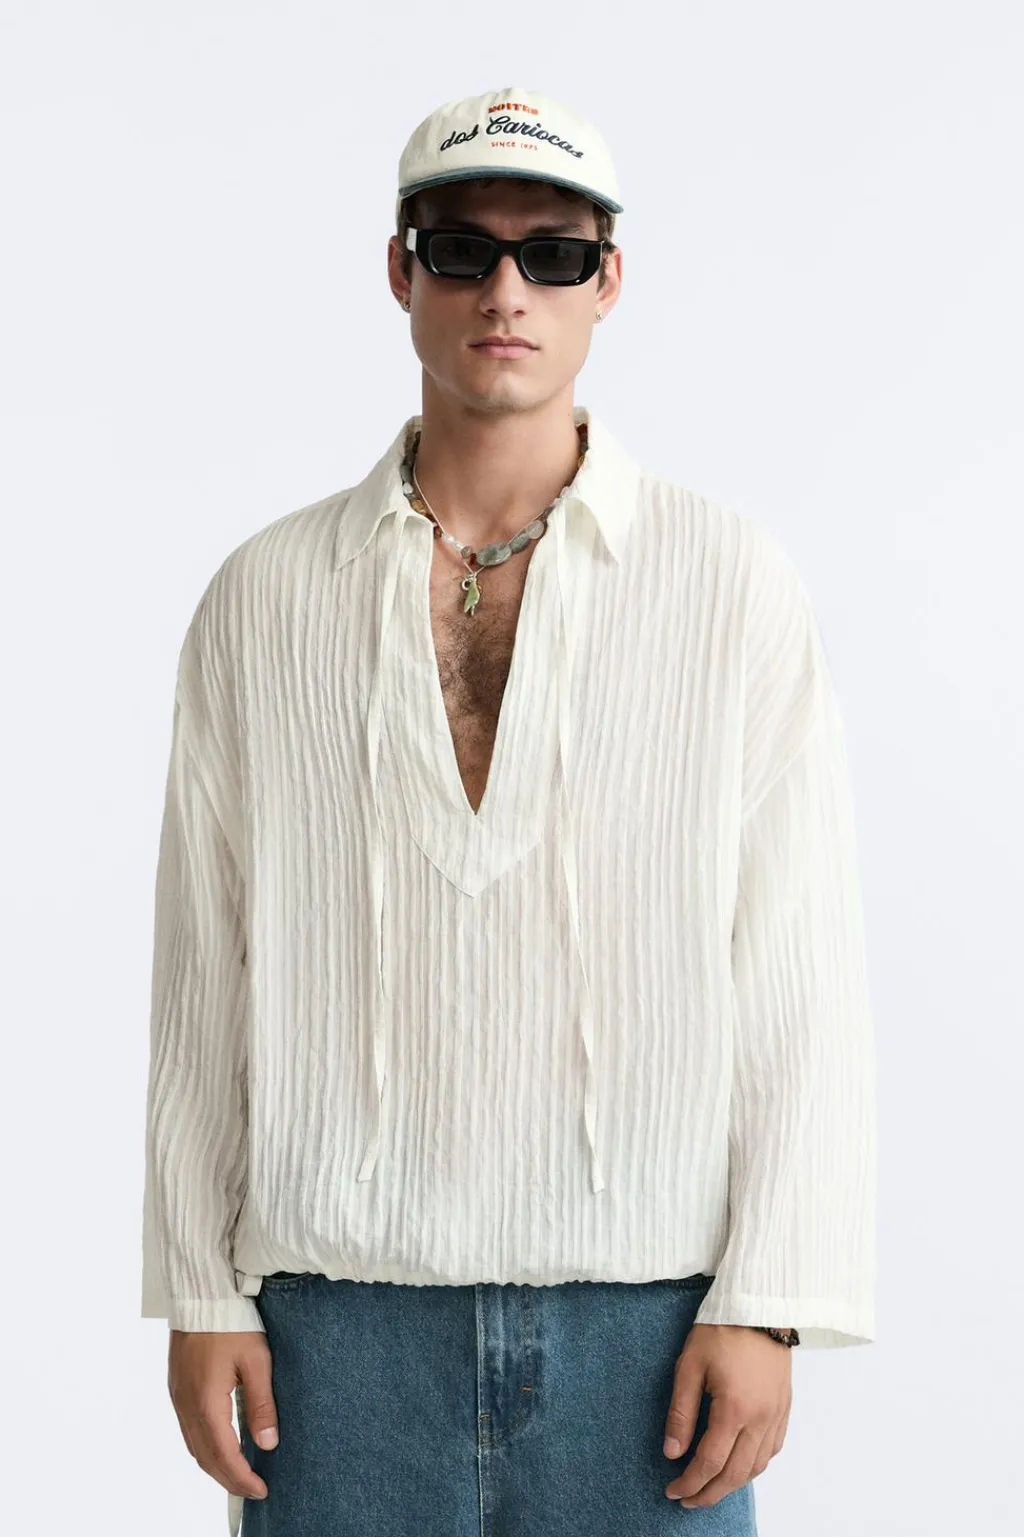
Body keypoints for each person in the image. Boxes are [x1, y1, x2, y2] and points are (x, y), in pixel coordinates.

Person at [140, 85, 877, 1537]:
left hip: (651, 1330)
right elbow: (203, 965)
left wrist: (773, 1300)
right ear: (401, 269)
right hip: (331, 1335)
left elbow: (798, 964)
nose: (505, 291)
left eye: (552, 254)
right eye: (463, 248)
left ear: (609, 280)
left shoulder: (727, 583)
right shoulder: (264, 597)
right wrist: (196, 1286)